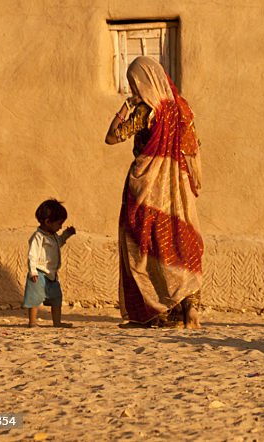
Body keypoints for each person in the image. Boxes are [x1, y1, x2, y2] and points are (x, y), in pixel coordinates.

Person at [106, 56, 204, 328]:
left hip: (147, 186)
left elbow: (112, 137)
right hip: (177, 186)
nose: (133, 89)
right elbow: (194, 147)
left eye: (133, 83)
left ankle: (157, 310)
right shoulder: (182, 109)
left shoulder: (145, 110)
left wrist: (124, 108)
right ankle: (189, 308)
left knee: (144, 245)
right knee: (180, 241)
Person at [24, 199, 76, 328]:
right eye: (59, 223)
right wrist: (33, 271)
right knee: (34, 298)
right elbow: (32, 255)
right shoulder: (38, 237)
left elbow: (60, 242)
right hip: (39, 273)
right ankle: (32, 322)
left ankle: (57, 322)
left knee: (56, 299)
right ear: (48, 222)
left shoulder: (53, 236)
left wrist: (67, 234)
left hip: (52, 275)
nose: (60, 227)